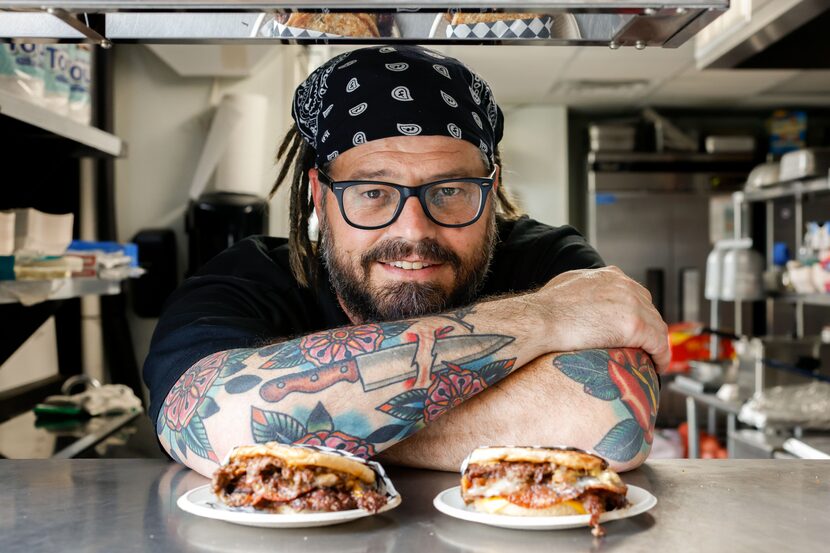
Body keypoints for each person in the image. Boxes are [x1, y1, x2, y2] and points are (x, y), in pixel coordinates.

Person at [143, 45, 668, 478]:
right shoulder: (244, 281)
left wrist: (308, 424)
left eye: (451, 191)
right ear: (320, 198)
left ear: (493, 186)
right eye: (373, 192)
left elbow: (606, 421)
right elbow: (215, 420)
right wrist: (544, 319)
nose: (414, 230)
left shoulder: (547, 259)